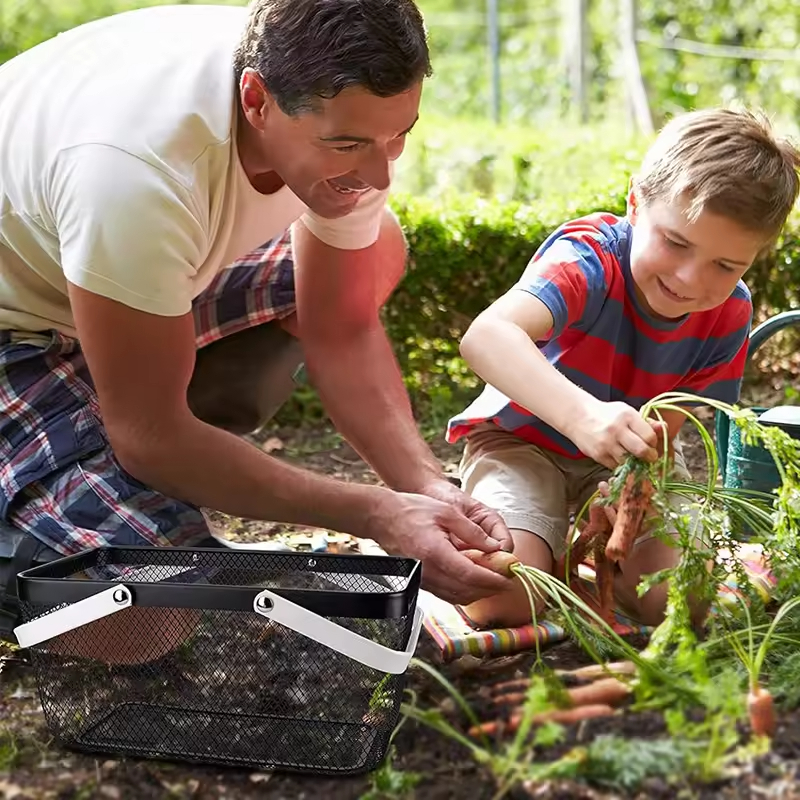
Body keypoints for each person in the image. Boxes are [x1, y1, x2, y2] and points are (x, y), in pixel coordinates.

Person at [0, 0, 515, 644]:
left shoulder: (332, 94)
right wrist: (377, 513)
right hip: (19, 327)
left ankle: (135, 433)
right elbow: (148, 435)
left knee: (376, 249)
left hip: (111, 276)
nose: (380, 171)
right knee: (145, 619)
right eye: (347, 145)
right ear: (255, 100)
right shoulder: (138, 172)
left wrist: (424, 486)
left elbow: (342, 327)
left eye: (399, 134)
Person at [445, 108, 800, 629]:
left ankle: (575, 558)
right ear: (635, 203)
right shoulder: (588, 260)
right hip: (520, 443)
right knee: (501, 598)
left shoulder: (730, 313)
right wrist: (583, 418)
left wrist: (629, 486)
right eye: (676, 242)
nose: (690, 279)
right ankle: (542, 548)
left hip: (626, 463)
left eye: (726, 265)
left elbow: (666, 425)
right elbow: (486, 336)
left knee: (680, 603)